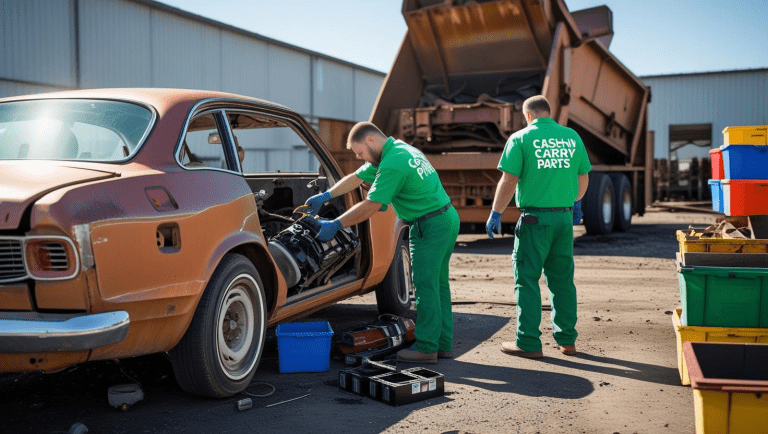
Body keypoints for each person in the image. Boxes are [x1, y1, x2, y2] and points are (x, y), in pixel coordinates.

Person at [304, 122, 460, 364]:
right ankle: (442, 343)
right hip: (445, 218)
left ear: (371, 141)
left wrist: (336, 223)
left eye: (359, 152)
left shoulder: (392, 164)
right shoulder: (398, 150)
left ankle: (427, 347)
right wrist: (327, 195)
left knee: (426, 287)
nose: (359, 158)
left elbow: (370, 205)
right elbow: (356, 178)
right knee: (438, 284)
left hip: (430, 225)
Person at [486, 95, 590, 359]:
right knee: (562, 280)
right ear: (549, 112)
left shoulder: (520, 138)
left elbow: (509, 180)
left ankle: (528, 342)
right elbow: (583, 175)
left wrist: (496, 213)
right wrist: (576, 202)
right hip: (564, 221)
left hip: (535, 221)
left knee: (527, 280)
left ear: (528, 115)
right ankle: (567, 341)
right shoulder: (571, 137)